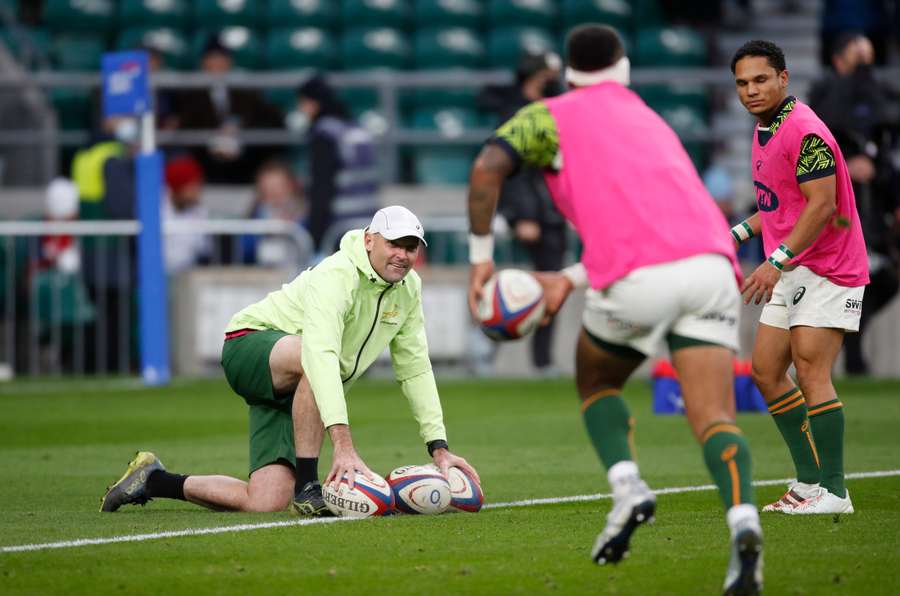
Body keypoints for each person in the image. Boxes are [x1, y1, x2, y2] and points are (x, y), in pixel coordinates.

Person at [466, 25, 762, 594]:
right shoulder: (651, 120)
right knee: (714, 418)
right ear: (623, 67)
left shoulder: (548, 114)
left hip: (636, 279)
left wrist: (482, 258)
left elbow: (486, 167)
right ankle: (743, 523)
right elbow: (659, 226)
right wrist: (568, 279)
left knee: (596, 379)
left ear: (568, 73)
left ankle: (627, 487)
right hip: (712, 266)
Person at [100, 205, 479, 516]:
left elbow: (415, 368)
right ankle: (308, 488)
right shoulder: (338, 274)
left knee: (264, 501)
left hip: (297, 383)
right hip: (248, 345)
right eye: (395, 243)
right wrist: (342, 445)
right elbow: (320, 354)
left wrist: (438, 447)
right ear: (369, 240)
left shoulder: (409, 289)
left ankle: (152, 480)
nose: (403, 254)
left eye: (412, 247)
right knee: (315, 357)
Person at [729, 40, 869, 515]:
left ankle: (834, 491)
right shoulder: (766, 128)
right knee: (767, 373)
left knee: (811, 370)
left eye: (760, 79)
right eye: (743, 83)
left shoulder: (805, 131)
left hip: (828, 264)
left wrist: (777, 259)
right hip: (793, 263)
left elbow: (823, 206)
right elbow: (781, 206)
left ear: (783, 78)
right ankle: (809, 482)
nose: (751, 90)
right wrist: (737, 232)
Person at [809, 33, 900, 375]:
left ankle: (851, 341)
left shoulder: (879, 98)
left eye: (869, 56)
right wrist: (847, 165)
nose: (864, 63)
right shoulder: (824, 97)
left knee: (883, 281)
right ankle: (851, 358)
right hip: (834, 215)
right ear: (838, 60)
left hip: (873, 211)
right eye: (856, 55)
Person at [479, 51, 568, 375]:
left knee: (551, 282)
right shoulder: (515, 113)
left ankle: (542, 361)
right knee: (498, 284)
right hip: (527, 213)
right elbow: (514, 170)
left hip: (552, 211)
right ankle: (485, 353)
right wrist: (521, 215)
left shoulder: (553, 106)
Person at [175, 35, 284, 183]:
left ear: (229, 62)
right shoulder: (191, 94)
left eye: (221, 58)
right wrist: (215, 139)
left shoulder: (246, 90)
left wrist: (240, 133)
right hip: (206, 157)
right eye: (212, 58)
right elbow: (187, 127)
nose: (217, 64)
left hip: (243, 157)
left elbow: (269, 116)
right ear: (203, 63)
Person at [296, 74, 380, 254]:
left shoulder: (325, 134)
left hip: (338, 231)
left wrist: (315, 236)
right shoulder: (357, 129)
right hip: (368, 225)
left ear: (313, 102)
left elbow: (322, 188)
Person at [241, 160, 308, 266]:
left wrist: (293, 226)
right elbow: (243, 250)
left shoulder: (305, 214)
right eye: (268, 189)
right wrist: (263, 229)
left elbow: (310, 246)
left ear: (292, 186)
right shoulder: (256, 216)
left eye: (279, 187)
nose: (275, 193)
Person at [162, 155, 210, 274]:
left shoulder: (199, 210)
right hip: (161, 276)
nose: (198, 191)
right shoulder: (159, 209)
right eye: (193, 186)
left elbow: (204, 249)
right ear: (179, 187)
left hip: (189, 276)